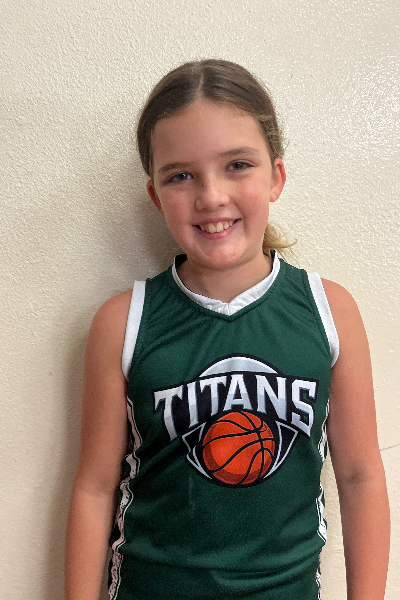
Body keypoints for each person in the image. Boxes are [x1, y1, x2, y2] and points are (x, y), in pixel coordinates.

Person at [65, 59, 390, 600]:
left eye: (237, 165)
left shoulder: (329, 310)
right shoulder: (123, 321)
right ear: (156, 195)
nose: (211, 196)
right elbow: (95, 488)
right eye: (181, 175)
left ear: (276, 177)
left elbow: (361, 477)